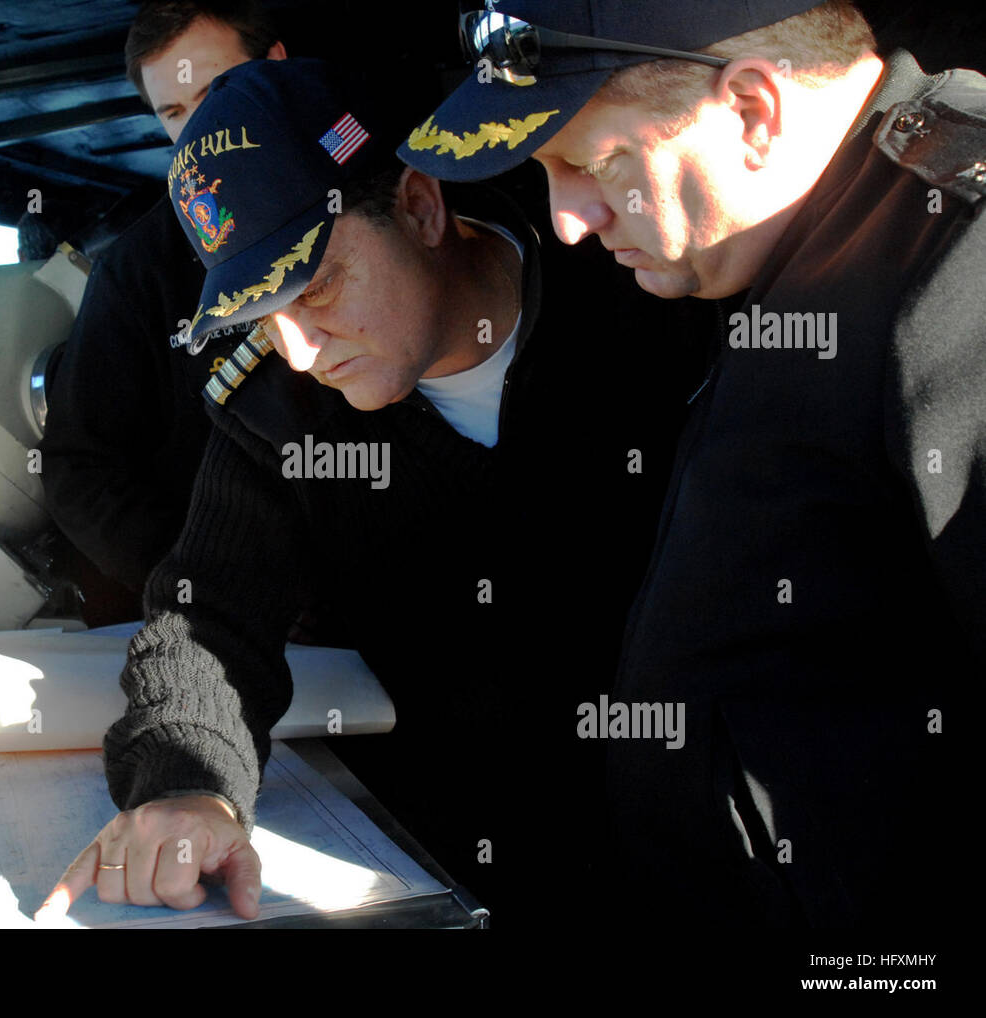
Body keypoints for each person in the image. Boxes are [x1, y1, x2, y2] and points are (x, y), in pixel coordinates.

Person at [36, 56, 715, 925]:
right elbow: (209, 620)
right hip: (467, 848)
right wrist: (190, 785)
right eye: (259, 318)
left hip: (709, 825)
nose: (303, 352)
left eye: (316, 287)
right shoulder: (281, 412)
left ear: (421, 206)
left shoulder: (642, 295)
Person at [399, 0, 983, 927]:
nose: (567, 223)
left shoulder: (963, 259)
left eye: (592, 164)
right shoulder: (788, 241)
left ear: (753, 113)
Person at [39, 1, 286, 601]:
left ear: (278, 65)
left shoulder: (379, 197)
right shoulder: (137, 269)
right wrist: (207, 582)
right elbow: (78, 470)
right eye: (175, 113)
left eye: (217, 92)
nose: (201, 132)